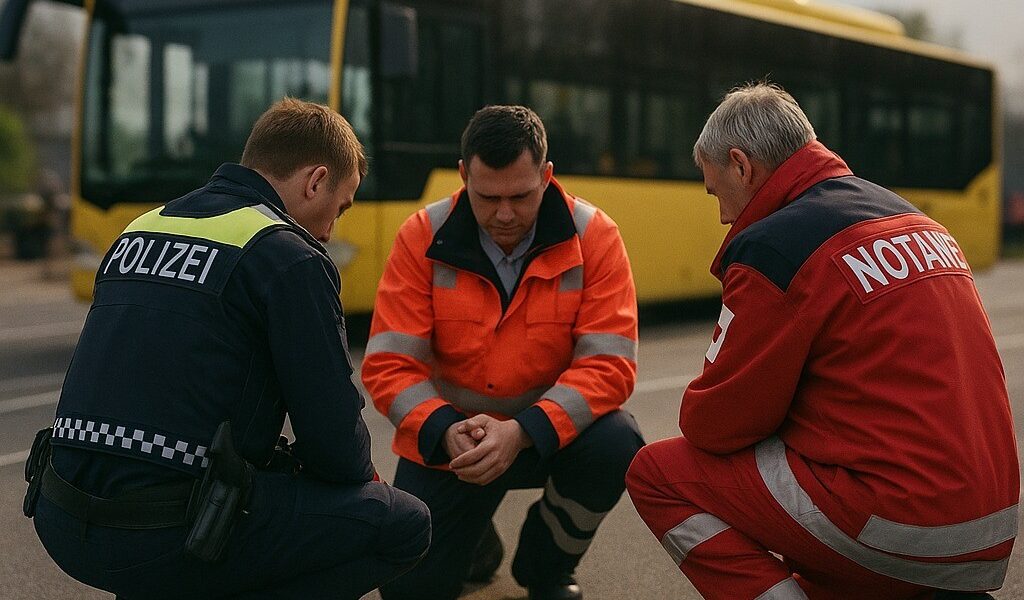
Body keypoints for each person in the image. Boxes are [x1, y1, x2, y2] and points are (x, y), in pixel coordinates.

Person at [626, 83, 1019, 599]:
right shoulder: (915, 220)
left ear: (742, 167)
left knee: (657, 472)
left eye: (715, 191)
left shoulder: (778, 246)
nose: (723, 214)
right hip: (989, 526)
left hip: (899, 523)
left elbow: (718, 423)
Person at [26, 98, 430, 600]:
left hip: (61, 518)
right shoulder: (289, 256)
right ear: (316, 181)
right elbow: (337, 452)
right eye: (341, 207)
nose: (330, 229)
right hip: (174, 534)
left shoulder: (141, 230)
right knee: (403, 524)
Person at [362, 105, 644, 600]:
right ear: (463, 175)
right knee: (410, 591)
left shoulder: (596, 236)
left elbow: (610, 364)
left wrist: (521, 432)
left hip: (545, 437)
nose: (505, 213)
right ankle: (474, 542)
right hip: (454, 445)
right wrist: (445, 430)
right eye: (487, 197)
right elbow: (389, 364)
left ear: (547, 175)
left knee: (618, 442)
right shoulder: (420, 235)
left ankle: (547, 567)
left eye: (521, 195)